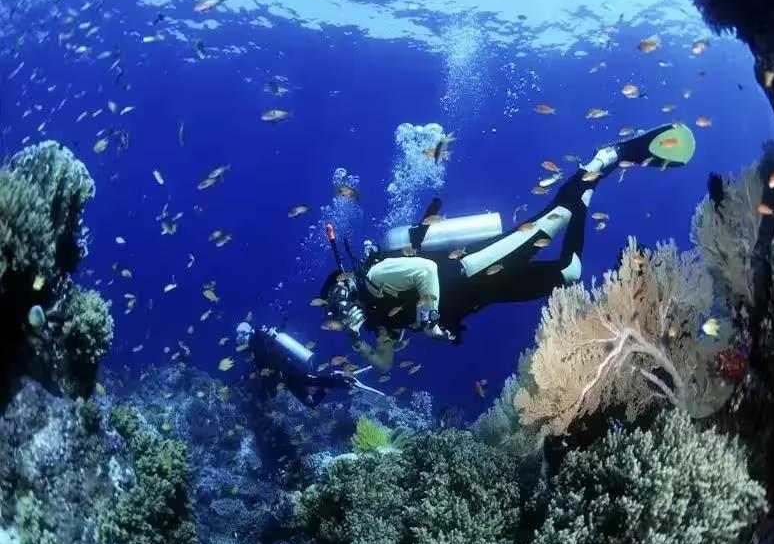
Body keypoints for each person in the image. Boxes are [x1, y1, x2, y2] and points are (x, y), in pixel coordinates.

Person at [319, 123, 697, 373]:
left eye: (336, 293)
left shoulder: (373, 277)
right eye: (334, 307)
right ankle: (587, 191)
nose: (340, 304)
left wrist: (430, 319)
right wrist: (357, 341)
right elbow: (385, 364)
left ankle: (606, 158)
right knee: (571, 272)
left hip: (475, 267)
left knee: (556, 218)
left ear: (346, 276)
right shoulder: (375, 315)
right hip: (484, 292)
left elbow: (427, 271)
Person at [235, 322, 385, 407]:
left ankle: (346, 381)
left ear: (244, 334)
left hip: (286, 370)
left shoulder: (256, 340)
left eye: (239, 336)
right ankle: (336, 379)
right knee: (310, 402)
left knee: (312, 379)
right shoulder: (257, 340)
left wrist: (271, 388)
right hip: (283, 378)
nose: (238, 341)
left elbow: (265, 364)